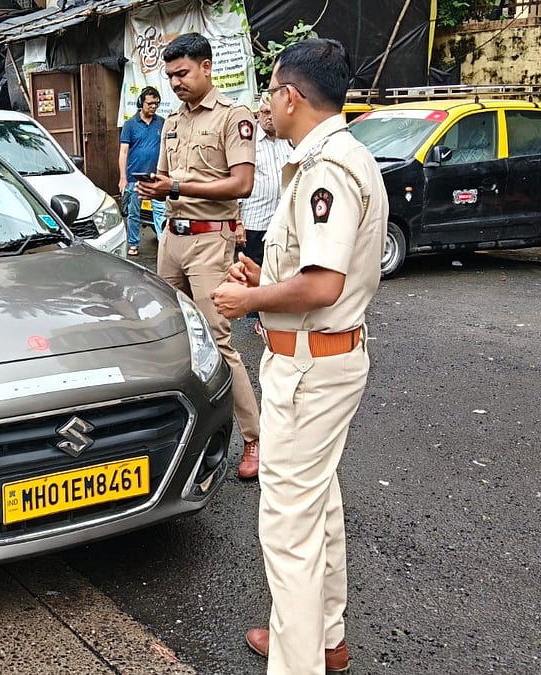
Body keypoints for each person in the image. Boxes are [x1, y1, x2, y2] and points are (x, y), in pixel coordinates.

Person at [209, 38, 388, 674]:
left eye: (269, 92)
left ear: (290, 96)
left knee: (288, 527)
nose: (265, 105)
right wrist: (265, 278)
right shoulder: (338, 158)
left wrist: (249, 298)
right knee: (319, 506)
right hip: (322, 356)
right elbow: (308, 271)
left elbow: (322, 286)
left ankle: (298, 661)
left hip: (310, 368)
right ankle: (324, 640)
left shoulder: (326, 169)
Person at [135, 32, 261, 480]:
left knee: (219, 341)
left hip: (211, 242)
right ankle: (167, 432)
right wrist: (155, 184)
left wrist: (176, 187)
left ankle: (253, 438)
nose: (175, 82)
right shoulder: (172, 121)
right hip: (172, 237)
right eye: (169, 75)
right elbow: (169, 176)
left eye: (182, 73)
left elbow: (241, 183)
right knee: (165, 337)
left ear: (207, 67)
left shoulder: (234, 116)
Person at [237, 93, 292, 326]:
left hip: (281, 221)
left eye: (272, 112)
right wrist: (237, 222)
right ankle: (256, 316)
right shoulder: (247, 144)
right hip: (254, 220)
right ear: (257, 115)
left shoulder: (287, 141)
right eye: (265, 113)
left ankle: (271, 313)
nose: (269, 118)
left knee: (278, 268)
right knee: (254, 268)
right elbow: (238, 184)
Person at [118, 86, 166, 256]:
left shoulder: (161, 123)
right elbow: (123, 152)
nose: (153, 107)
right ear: (141, 103)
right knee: (133, 213)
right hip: (134, 177)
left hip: (156, 176)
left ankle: (163, 242)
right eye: (150, 103)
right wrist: (123, 177)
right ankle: (133, 244)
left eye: (156, 104)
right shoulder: (130, 124)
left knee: (161, 212)